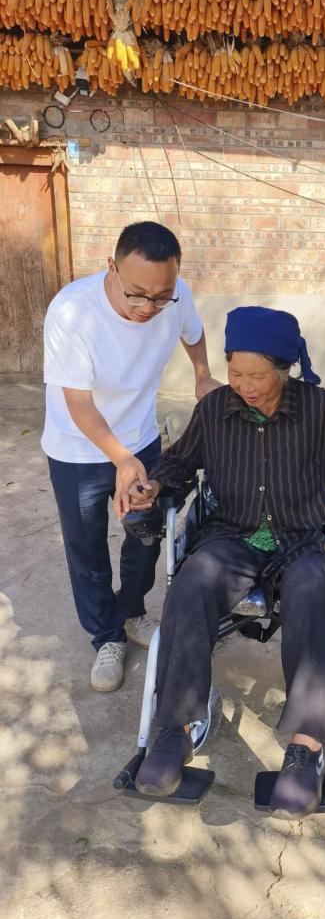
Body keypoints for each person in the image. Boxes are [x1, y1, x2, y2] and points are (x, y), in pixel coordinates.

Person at [121, 306, 325, 817]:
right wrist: (153, 486)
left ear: (285, 369)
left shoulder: (319, 408)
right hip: (233, 535)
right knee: (191, 583)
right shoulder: (215, 408)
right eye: (235, 372)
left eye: (257, 376)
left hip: (301, 537)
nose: (244, 385)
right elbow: (180, 463)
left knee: (312, 591)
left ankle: (306, 749)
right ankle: (173, 730)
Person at [42, 221, 219, 694]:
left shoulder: (175, 295)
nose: (148, 308)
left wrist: (202, 374)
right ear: (112, 268)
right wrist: (120, 458)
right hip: (77, 448)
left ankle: (132, 609)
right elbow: (79, 403)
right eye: (137, 295)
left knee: (145, 533)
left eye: (160, 298)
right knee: (87, 547)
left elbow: (193, 333)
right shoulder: (72, 311)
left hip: (139, 438)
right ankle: (106, 637)